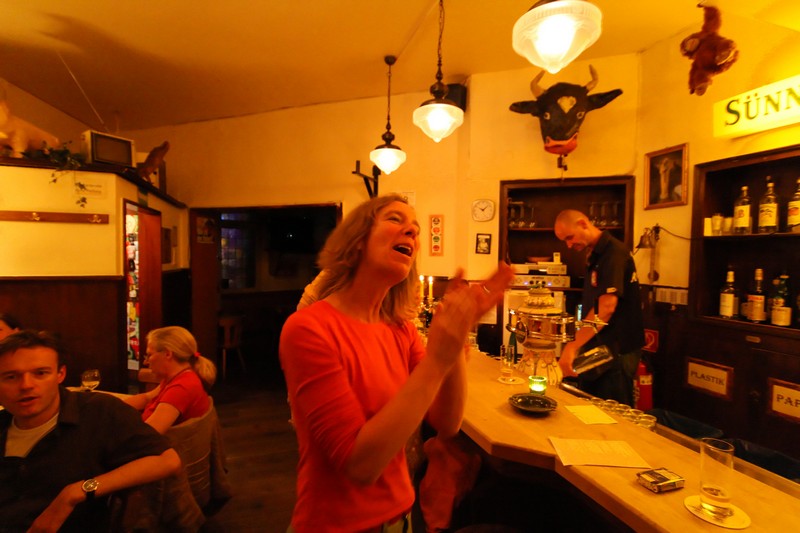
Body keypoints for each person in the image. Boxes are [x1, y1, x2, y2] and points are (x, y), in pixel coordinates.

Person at [279, 194, 513, 533]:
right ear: (358, 240)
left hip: (401, 519)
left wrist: (458, 333)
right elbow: (361, 466)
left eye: (416, 229)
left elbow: (447, 423)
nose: (412, 232)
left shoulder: (399, 330)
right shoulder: (309, 328)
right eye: (394, 219)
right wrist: (438, 359)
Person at [0, 329, 183, 532]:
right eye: (11, 377)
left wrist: (77, 491)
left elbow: (167, 460)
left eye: (40, 373)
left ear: (60, 374)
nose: (26, 385)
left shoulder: (98, 412)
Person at [554, 209, 645, 406]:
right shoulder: (595, 254)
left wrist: (572, 346)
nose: (569, 245)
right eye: (564, 241)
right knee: (591, 410)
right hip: (600, 348)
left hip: (616, 351)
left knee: (614, 415)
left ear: (583, 224)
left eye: (569, 237)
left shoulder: (613, 253)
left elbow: (606, 307)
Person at [124, 326, 216, 434]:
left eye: (149, 355)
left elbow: (149, 434)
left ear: (168, 354)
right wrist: (113, 407)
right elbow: (147, 398)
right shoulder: (176, 377)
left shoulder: (180, 388)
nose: (146, 362)